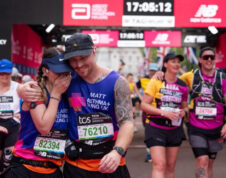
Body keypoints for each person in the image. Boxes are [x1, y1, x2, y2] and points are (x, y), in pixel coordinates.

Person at [155, 47, 226, 178]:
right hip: (196, 127)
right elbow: (172, 79)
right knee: (202, 161)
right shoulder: (191, 75)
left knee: (209, 163)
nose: (209, 60)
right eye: (205, 57)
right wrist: (160, 73)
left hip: (217, 128)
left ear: (215, 59)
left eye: (212, 57)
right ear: (200, 60)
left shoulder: (222, 78)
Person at [62, 33, 134, 178]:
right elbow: (41, 86)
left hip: (110, 163)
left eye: (83, 58)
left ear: (94, 51)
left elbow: (127, 123)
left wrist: (117, 152)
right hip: (77, 166)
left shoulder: (117, 82)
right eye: (73, 60)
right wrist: (22, 88)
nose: (79, 64)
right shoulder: (65, 80)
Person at [5, 47, 72, 178]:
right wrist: (56, 94)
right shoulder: (35, 91)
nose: (62, 75)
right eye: (58, 71)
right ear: (45, 70)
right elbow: (44, 127)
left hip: (53, 168)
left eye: (65, 70)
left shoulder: (67, 93)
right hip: (26, 168)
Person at [141, 52, 188, 178]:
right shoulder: (156, 80)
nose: (177, 64)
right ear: (165, 64)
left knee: (170, 166)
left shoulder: (183, 85)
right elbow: (144, 105)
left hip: (175, 129)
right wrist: (163, 112)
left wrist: (185, 111)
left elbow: (185, 106)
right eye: (173, 61)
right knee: (160, 165)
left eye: (178, 62)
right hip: (156, 128)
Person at [0, 59, 21, 175]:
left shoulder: (18, 87)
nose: (4, 76)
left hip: (13, 123)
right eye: (1, 73)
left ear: (11, 73)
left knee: (8, 156)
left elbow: (26, 106)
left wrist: (21, 115)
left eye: (7, 73)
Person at [137, 63, 159, 163]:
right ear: (149, 70)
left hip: (158, 109)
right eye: (151, 70)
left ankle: (157, 153)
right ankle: (149, 153)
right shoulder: (143, 79)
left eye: (154, 70)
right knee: (148, 130)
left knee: (158, 131)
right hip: (146, 109)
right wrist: (140, 96)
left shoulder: (160, 80)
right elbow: (133, 86)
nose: (152, 72)